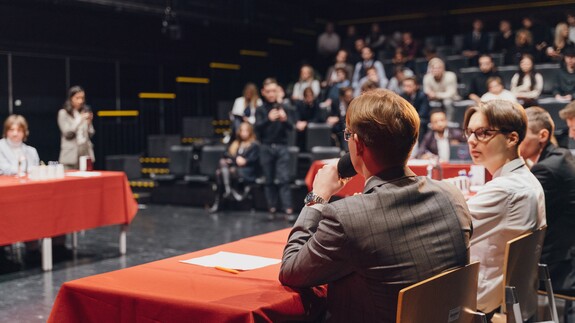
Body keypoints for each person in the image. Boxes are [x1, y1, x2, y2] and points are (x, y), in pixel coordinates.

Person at [279, 89, 472, 322]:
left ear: (357, 144)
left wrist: (318, 197)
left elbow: (290, 270)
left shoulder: (348, 216)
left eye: (347, 135)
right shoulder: (452, 196)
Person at [463, 100, 546, 318]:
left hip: (482, 307)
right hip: (513, 301)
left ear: (511, 138)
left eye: (482, 133)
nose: (471, 140)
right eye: (470, 132)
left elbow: (446, 230)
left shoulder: (505, 190)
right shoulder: (526, 179)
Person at [519, 107, 575, 294]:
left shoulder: (546, 169)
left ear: (542, 135)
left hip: (559, 265)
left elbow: (523, 218)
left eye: (520, 134)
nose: (514, 140)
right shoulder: (560, 156)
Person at [0, 115, 40, 273]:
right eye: (11, 130)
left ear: (25, 132)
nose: (15, 133)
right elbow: (5, 169)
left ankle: (33, 249)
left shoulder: (30, 150)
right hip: (6, 196)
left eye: (19, 130)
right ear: (6, 131)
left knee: (34, 211)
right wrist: (22, 170)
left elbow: (35, 168)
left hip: (27, 195)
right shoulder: (0, 147)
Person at [255, 78, 295, 220]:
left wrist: (285, 120)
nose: (271, 94)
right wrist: (268, 119)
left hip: (281, 146)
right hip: (266, 147)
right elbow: (256, 129)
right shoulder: (260, 110)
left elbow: (292, 127)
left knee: (284, 179)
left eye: (274, 91)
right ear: (263, 92)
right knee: (269, 180)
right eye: (269, 91)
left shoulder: (285, 107)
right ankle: (271, 208)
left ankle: (288, 209)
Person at [210, 122, 260, 213]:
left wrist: (244, 161)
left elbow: (254, 160)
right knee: (220, 169)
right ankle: (227, 190)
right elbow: (227, 155)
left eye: (246, 131)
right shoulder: (235, 144)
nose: (244, 133)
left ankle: (219, 202)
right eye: (242, 131)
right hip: (234, 169)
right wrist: (235, 160)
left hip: (247, 170)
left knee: (220, 173)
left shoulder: (254, 145)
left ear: (250, 132)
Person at [58, 85, 95, 170]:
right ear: (71, 98)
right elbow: (67, 133)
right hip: (70, 157)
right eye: (77, 98)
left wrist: (89, 123)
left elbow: (91, 134)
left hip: (85, 154)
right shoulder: (63, 113)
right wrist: (79, 120)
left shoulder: (85, 112)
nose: (80, 101)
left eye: (82, 98)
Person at [295, 87, 325, 151]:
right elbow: (297, 116)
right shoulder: (299, 104)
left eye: (311, 96)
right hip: (302, 128)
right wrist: (298, 122)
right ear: (304, 97)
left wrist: (306, 123)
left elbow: (318, 118)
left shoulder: (316, 104)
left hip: (313, 129)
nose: (309, 98)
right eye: (307, 96)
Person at [401, 76, 430, 141]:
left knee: (420, 124)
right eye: (405, 86)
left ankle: (419, 146)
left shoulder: (422, 96)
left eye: (409, 86)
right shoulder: (402, 96)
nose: (406, 88)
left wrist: (411, 119)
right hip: (407, 119)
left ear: (416, 86)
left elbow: (423, 113)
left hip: (420, 119)